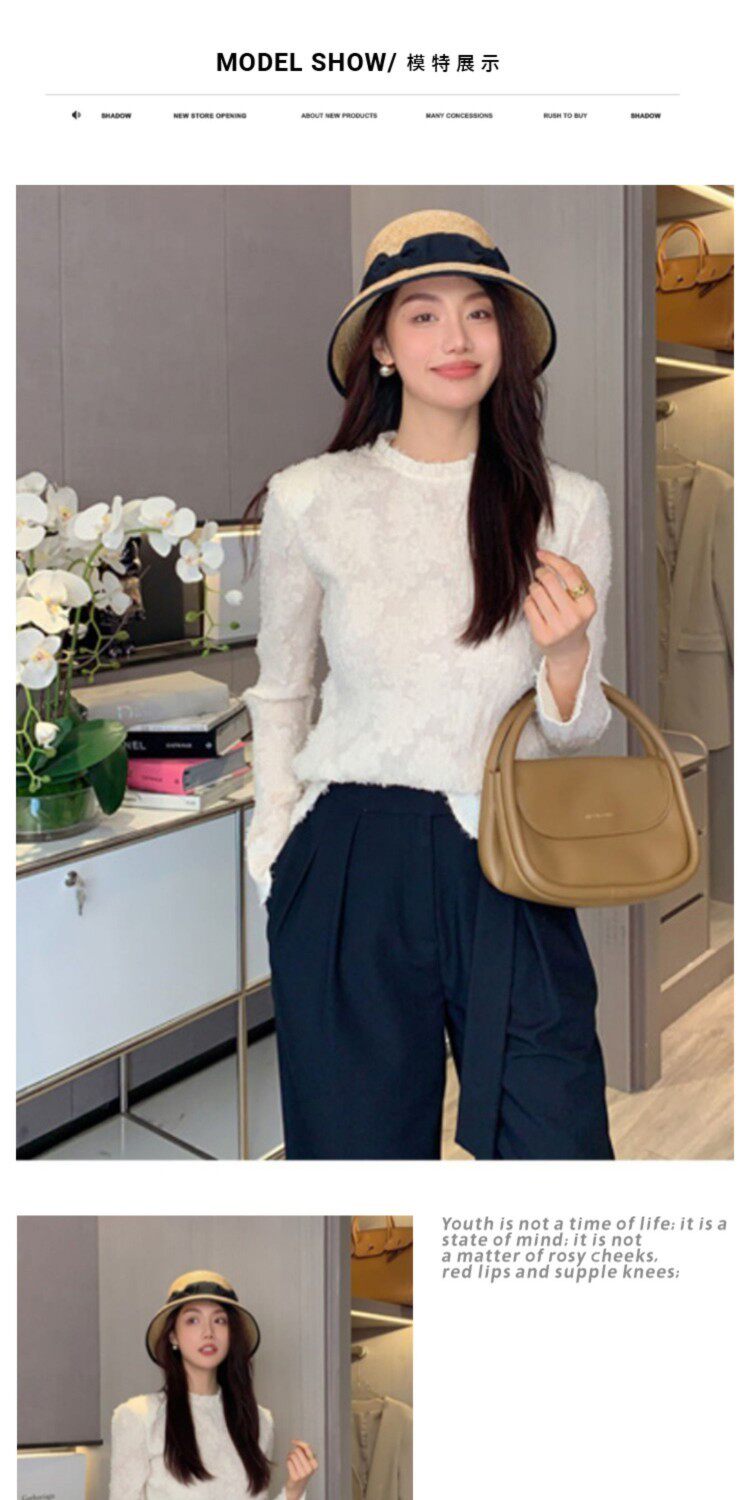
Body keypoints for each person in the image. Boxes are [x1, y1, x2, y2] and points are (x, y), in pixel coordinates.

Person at [242, 207, 616, 1163]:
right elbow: (283, 691)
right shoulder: (310, 497)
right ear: (380, 345)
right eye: (423, 314)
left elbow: (577, 733)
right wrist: (276, 850)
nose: (457, 338)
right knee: (358, 1162)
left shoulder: (568, 505)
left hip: (508, 855)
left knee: (559, 1150)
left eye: (479, 312)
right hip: (348, 856)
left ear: (506, 337)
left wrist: (568, 655)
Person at [109, 1270, 318, 1499]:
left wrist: (294, 1491)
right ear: (173, 1336)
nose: (208, 1332)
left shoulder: (259, 1421)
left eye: (219, 1320)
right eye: (193, 1320)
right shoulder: (138, 1418)